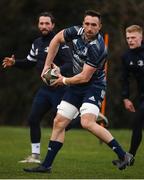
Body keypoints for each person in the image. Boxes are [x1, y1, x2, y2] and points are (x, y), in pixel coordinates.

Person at [23, 10, 134, 173]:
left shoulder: (98, 48)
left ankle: (123, 154)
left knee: (86, 122)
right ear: (83, 24)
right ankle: (46, 166)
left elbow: (84, 77)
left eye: (93, 25)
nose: (89, 28)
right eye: (87, 24)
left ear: (99, 27)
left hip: (93, 86)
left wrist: (62, 80)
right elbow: (56, 40)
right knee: (59, 122)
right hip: (76, 85)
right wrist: (47, 66)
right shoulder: (75, 32)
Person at [2, 12, 74, 163]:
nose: (44, 26)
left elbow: (70, 64)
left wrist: (59, 70)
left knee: (62, 123)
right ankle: (35, 156)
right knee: (33, 119)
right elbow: (30, 62)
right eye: (41, 23)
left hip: (61, 89)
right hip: (45, 90)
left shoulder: (60, 41)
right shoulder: (37, 43)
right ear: (38, 25)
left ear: (53, 25)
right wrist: (15, 63)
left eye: (47, 23)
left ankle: (85, 117)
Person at [112, 25, 144, 167]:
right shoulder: (126, 56)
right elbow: (125, 79)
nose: (130, 40)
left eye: (133, 37)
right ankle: (130, 158)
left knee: (138, 119)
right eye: (128, 38)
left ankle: (129, 157)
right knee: (139, 121)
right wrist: (125, 97)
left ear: (141, 37)